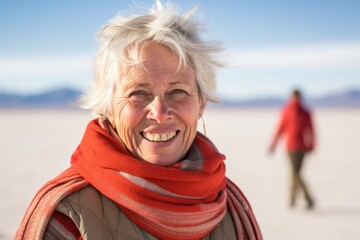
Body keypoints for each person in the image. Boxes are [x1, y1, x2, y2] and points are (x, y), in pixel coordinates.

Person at [15, 1, 262, 240]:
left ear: (201, 104)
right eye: (138, 93)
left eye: (178, 92)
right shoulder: (68, 215)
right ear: (107, 108)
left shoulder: (228, 204)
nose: (160, 111)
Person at [269, 89, 315, 210]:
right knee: (294, 173)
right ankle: (296, 199)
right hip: (290, 147)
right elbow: (280, 129)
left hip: (302, 148)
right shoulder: (286, 111)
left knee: (296, 173)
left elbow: (311, 130)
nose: (296, 99)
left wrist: (312, 145)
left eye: (297, 97)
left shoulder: (305, 112)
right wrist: (273, 144)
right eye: (294, 97)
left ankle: (302, 199)